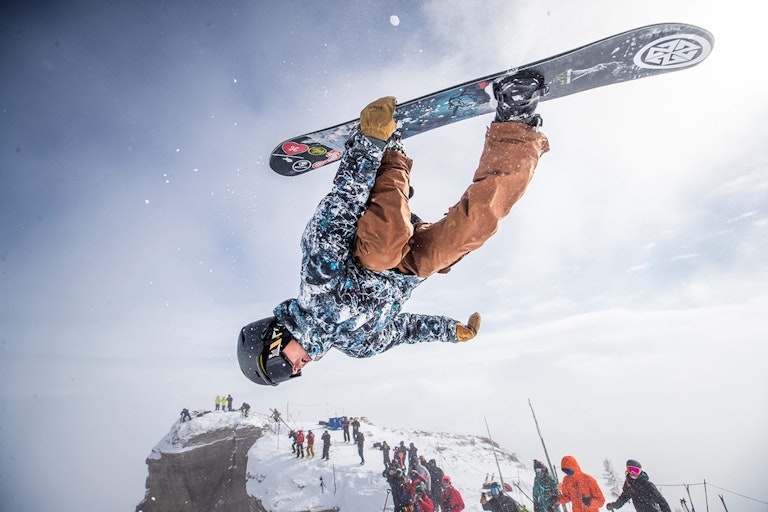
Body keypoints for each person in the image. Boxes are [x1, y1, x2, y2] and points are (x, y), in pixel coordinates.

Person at [237, 71, 550, 386]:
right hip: (412, 265)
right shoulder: (360, 346)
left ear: (273, 338)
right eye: (287, 377)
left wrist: (368, 144)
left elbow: (342, 207)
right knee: (475, 228)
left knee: (383, 252)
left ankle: (391, 155)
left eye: (280, 367)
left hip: (376, 238)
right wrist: (450, 331)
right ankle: (517, 120)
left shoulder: (317, 287)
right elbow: (406, 330)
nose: (295, 370)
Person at [606, 460, 671, 512]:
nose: (633, 472)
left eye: (636, 470)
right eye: (630, 469)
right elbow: (623, 498)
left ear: (640, 472)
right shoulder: (629, 485)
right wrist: (614, 505)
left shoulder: (647, 485)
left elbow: (661, 501)